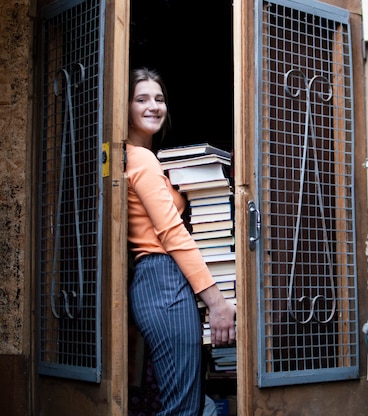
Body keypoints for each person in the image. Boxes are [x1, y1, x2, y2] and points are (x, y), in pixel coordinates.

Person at [126, 67, 236, 416]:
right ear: (124, 107)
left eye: (159, 99)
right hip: (163, 280)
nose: (153, 106)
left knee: (183, 404)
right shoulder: (140, 159)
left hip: (160, 282)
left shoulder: (142, 158)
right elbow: (172, 234)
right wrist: (217, 303)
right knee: (183, 409)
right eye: (141, 99)